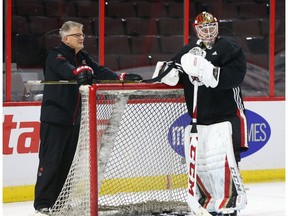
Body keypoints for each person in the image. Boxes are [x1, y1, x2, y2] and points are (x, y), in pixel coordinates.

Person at [30, 21, 142, 216]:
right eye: (77, 35)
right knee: (50, 162)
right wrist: (78, 72)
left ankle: (59, 203)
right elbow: (65, 69)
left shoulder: (82, 56)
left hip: (74, 121)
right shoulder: (56, 54)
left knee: (67, 163)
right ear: (66, 38)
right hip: (55, 119)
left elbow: (98, 70)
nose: (82, 37)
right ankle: (43, 204)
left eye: (82, 34)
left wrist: (120, 77)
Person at [153, 12, 248, 216]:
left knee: (225, 161)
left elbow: (236, 77)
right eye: (203, 28)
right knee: (204, 164)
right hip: (201, 117)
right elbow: (174, 70)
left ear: (217, 27)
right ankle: (209, 205)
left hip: (227, 115)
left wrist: (209, 71)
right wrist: (168, 72)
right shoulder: (188, 50)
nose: (208, 32)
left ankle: (229, 207)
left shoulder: (229, 47)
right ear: (196, 30)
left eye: (211, 27)